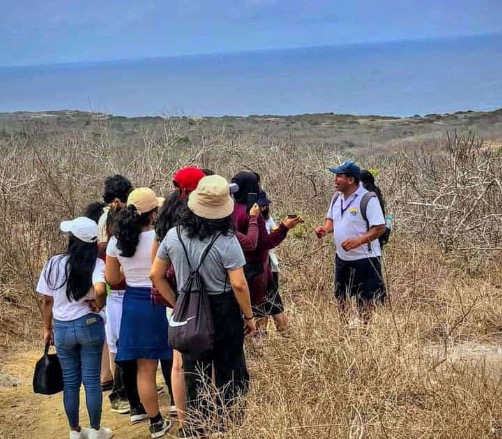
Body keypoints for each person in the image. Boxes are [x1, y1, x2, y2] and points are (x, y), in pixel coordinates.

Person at [151, 175, 256, 438]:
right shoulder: (227, 239)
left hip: (189, 307)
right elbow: (239, 284)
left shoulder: (174, 235)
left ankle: (196, 429)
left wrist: (177, 305)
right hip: (223, 309)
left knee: (194, 373)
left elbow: (155, 275)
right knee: (230, 372)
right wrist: (249, 316)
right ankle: (229, 428)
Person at [106, 188, 174, 439]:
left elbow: (112, 278)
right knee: (172, 362)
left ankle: (155, 422)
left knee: (144, 368)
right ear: (153, 212)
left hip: (133, 303)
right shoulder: (161, 236)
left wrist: (129, 272)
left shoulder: (116, 241)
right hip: (161, 298)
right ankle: (182, 411)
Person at [37, 217, 112, 439]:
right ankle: (96, 430)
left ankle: (75, 430)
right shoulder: (96, 265)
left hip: (62, 328)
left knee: (70, 381)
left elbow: (47, 300)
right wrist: (98, 304)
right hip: (88, 324)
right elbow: (99, 290)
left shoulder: (54, 263)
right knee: (91, 380)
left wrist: (47, 329)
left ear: (73, 240)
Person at [153, 166, 206, 428]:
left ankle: (185, 422)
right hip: (201, 298)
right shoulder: (199, 217)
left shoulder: (164, 220)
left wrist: (176, 303)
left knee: (178, 362)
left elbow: (156, 270)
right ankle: (206, 417)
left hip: (175, 299)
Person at [315, 160, 386, 323]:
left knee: (366, 297)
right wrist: (325, 229)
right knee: (341, 295)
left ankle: (365, 329)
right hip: (342, 258)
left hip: (365, 258)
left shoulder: (368, 199)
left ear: (350, 180)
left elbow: (379, 228)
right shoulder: (336, 198)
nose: (335, 179)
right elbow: (331, 220)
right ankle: (344, 327)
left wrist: (358, 242)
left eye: (339, 176)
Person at [231, 171, 301, 319]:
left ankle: (260, 337)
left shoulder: (231, 209)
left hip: (238, 266)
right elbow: (264, 243)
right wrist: (284, 227)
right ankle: (277, 338)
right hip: (258, 269)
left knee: (258, 309)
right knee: (264, 309)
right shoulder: (253, 214)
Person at [255, 190, 288, 332]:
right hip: (260, 265)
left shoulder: (266, 219)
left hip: (269, 265)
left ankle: (287, 337)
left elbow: (273, 236)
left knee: (273, 302)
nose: (263, 208)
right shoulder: (253, 220)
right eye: (260, 205)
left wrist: (281, 229)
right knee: (261, 306)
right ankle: (261, 336)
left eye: (265, 205)